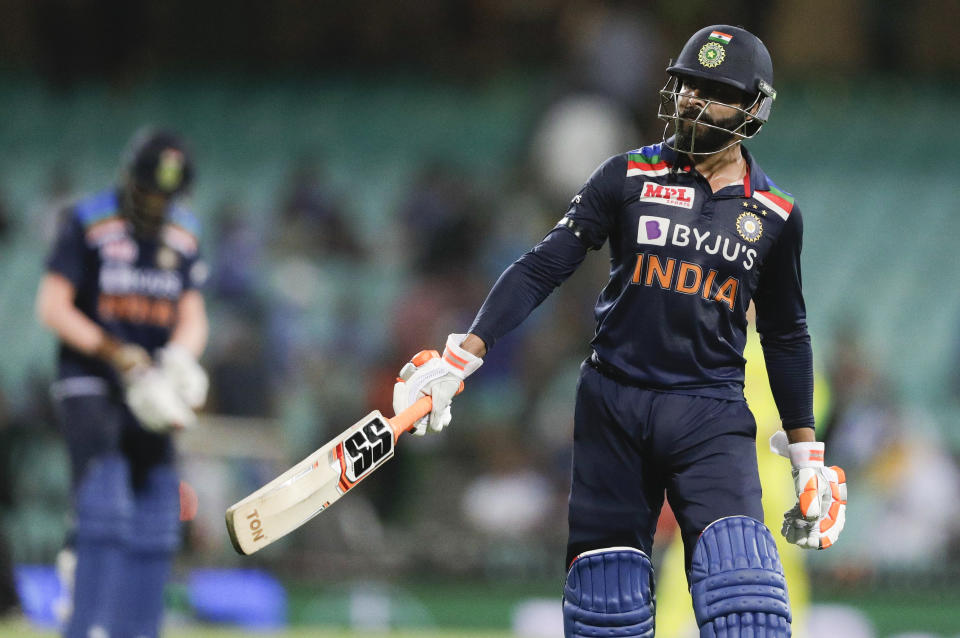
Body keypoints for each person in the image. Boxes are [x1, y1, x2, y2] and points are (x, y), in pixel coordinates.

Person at [392, 25, 847, 637]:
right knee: (607, 611)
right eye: (687, 86)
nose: (693, 102)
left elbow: (789, 335)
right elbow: (544, 264)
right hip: (614, 405)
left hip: (709, 412)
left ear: (753, 109)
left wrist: (807, 456)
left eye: (715, 92)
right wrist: (460, 358)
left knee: (749, 606)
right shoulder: (625, 176)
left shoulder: (775, 215)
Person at [36, 127, 209, 638]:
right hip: (92, 380)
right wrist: (116, 353)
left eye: (166, 195)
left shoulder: (184, 235)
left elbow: (193, 315)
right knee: (105, 501)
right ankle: (84, 610)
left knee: (159, 512)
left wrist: (180, 357)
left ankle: (138, 627)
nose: (156, 204)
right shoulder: (88, 222)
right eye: (148, 191)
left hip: (151, 388)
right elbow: (52, 306)